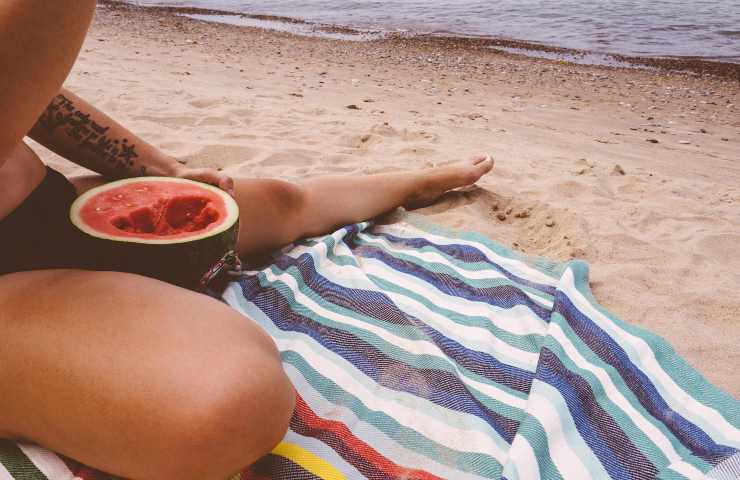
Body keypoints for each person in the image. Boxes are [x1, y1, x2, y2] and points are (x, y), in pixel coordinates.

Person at [0, 2, 494, 479]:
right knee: (233, 405)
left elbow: (34, 92)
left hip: (39, 203)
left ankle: (413, 183)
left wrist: (160, 168)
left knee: (283, 201)